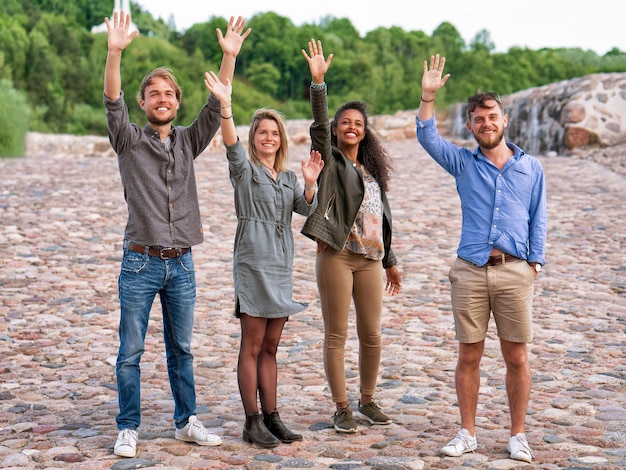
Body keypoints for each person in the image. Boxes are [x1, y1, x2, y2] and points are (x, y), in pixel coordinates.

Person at [103, 11, 250, 458]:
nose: (162, 99)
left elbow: (215, 104)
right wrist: (114, 53)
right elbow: (112, 100)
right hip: (140, 261)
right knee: (130, 352)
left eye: (169, 94)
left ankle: (186, 420)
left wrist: (228, 58)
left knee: (182, 349)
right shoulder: (128, 140)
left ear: (177, 102)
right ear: (144, 103)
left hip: (182, 263)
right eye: (153, 94)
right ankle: (128, 426)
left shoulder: (188, 141)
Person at [415, 54, 547, 463]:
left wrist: (534, 263)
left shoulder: (531, 168)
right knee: (468, 355)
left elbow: (538, 216)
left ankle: (518, 435)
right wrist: (427, 97)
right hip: (470, 271)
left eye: (492, 116)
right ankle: (467, 432)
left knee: (517, 357)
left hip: (514, 273)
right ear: (470, 126)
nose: (486, 123)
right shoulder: (462, 163)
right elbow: (426, 137)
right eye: (478, 118)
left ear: (504, 120)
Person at [203, 70, 324, 447]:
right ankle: (251, 420)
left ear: (281, 140)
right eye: (262, 132)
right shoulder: (244, 169)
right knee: (252, 345)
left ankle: (273, 417)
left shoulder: (288, 178)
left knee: (271, 347)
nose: (269, 138)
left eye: (274, 133)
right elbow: (230, 143)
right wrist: (226, 105)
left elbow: (305, 210)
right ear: (254, 137)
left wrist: (309, 183)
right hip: (253, 262)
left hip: (280, 264)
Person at [300, 39, 402, 434]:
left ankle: (367, 399)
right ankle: (341, 407)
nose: (352, 127)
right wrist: (319, 84)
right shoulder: (331, 160)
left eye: (358, 123)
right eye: (345, 122)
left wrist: (390, 261)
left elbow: (382, 218)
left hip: (371, 259)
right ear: (336, 129)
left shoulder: (372, 171)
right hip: (338, 255)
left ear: (365, 132)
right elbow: (318, 124)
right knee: (337, 334)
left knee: (372, 334)